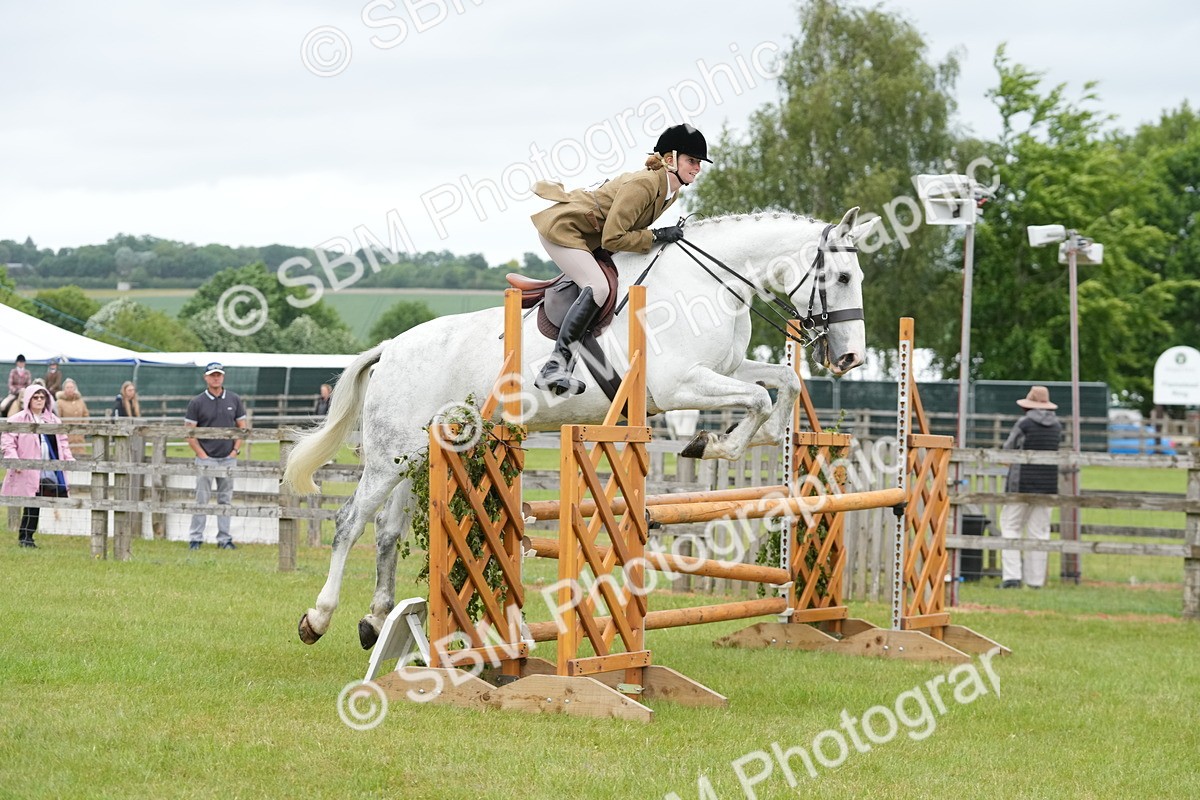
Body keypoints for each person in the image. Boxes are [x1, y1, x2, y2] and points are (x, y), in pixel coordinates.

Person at [529, 122, 711, 396]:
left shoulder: (671, 190)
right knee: (598, 287)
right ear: (671, 159)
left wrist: (654, 236)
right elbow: (613, 238)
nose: (697, 168)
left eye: (699, 163)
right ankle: (555, 366)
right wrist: (656, 235)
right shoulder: (644, 184)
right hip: (564, 230)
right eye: (692, 161)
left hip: (588, 236)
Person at [999, 385, 1063, 589]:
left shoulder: (1025, 423)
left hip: (1021, 483)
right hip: (1048, 484)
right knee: (1039, 532)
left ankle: (1011, 578)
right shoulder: (1057, 426)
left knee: (1010, 526)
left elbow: (1008, 449)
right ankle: (1035, 581)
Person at [183, 363, 246, 550]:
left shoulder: (234, 399)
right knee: (201, 498)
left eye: (219, 375)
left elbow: (242, 428)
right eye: (212, 375)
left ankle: (224, 539)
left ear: (223, 377)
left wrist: (235, 450)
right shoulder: (197, 402)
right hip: (206, 457)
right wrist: (202, 454)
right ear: (206, 378)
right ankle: (196, 538)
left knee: (225, 499)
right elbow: (189, 432)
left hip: (228, 457)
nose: (216, 378)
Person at [2, 384, 73, 548]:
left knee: (38, 500)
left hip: (49, 466)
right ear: (28, 399)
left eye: (42, 397)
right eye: (36, 397)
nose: (40, 400)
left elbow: (62, 442)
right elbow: (8, 442)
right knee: (31, 501)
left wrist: (68, 460)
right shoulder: (17, 420)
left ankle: (27, 536)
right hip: (27, 468)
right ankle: (26, 538)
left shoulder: (53, 420)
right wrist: (15, 461)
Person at [56, 378, 91, 450]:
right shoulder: (60, 402)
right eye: (67, 387)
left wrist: (84, 427)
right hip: (66, 436)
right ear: (64, 389)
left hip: (79, 436)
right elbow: (57, 418)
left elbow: (86, 415)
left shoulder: (80, 401)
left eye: (71, 387)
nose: (70, 389)